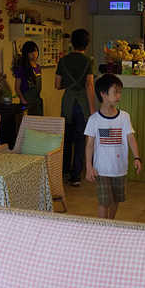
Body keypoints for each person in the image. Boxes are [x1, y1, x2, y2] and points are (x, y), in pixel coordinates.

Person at [85, 73, 141, 219]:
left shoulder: (124, 117)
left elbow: (131, 137)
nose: (119, 96)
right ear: (103, 94)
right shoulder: (94, 120)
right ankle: (103, 227)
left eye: (120, 92)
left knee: (116, 199)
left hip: (119, 168)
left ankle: (111, 223)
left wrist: (137, 157)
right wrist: (88, 166)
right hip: (101, 170)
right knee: (104, 202)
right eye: (115, 92)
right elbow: (89, 144)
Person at [55, 28, 95, 186]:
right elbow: (89, 85)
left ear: (71, 42)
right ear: (87, 44)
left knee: (66, 138)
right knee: (80, 140)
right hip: (82, 104)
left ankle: (63, 170)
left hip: (67, 103)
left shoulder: (63, 60)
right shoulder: (88, 61)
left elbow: (57, 85)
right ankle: (76, 176)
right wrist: (92, 109)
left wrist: (69, 84)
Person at [12, 40, 43, 115]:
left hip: (37, 101)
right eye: (31, 52)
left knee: (38, 121)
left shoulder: (38, 67)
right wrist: (23, 100)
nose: (34, 54)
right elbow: (17, 88)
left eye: (35, 51)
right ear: (26, 53)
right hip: (26, 102)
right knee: (26, 121)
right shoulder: (21, 68)